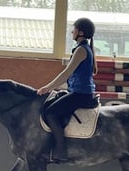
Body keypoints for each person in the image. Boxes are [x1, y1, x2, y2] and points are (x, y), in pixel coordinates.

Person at [37, 17, 98, 163]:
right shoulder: (84, 48)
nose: (72, 31)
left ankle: (61, 150)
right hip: (77, 92)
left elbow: (66, 73)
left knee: (51, 113)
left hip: (81, 94)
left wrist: (48, 87)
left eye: (74, 29)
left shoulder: (81, 50)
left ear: (81, 32)